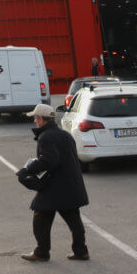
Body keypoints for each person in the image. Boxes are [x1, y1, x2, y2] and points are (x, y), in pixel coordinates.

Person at [18, 105, 90, 263]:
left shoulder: (46, 137)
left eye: (35, 118)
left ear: (41, 119)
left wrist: (27, 169)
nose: (34, 121)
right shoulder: (65, 135)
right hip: (70, 184)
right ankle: (81, 251)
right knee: (73, 219)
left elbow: (49, 160)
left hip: (56, 187)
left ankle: (42, 252)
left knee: (40, 217)